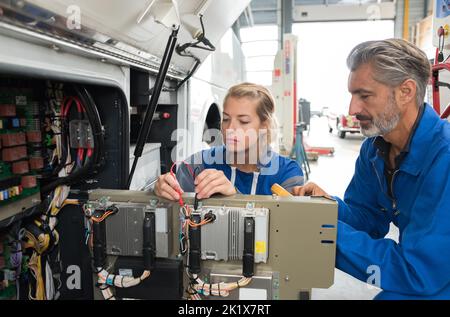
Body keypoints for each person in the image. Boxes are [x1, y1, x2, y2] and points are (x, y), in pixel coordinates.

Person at [293, 39, 450, 299]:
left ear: (406, 92)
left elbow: (419, 271)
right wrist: (325, 207)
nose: (352, 109)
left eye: (364, 96)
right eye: (352, 96)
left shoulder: (444, 158)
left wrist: (322, 230)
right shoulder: (375, 150)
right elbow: (368, 221)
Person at [154, 82, 304, 200]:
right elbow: (175, 215)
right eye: (225, 119)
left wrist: (234, 197)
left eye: (243, 121)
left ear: (264, 126)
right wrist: (162, 191)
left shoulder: (288, 174)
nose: (230, 128)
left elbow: (288, 232)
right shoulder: (197, 165)